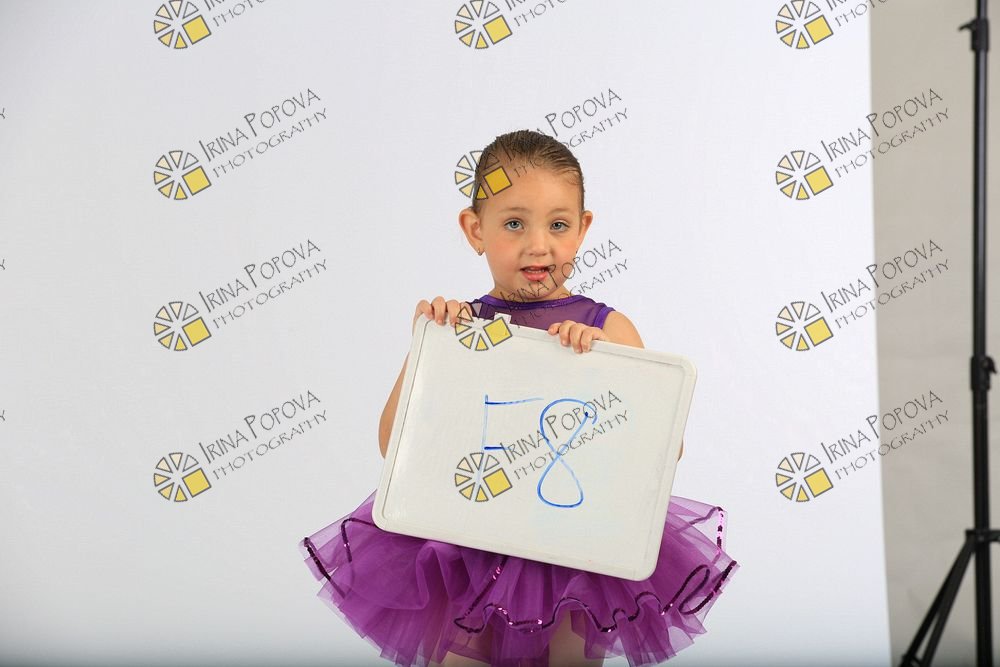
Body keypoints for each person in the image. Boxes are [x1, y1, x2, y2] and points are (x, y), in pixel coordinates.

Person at [298, 130, 738, 666]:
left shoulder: (608, 328)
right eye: (513, 223)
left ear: (583, 228)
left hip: (576, 550)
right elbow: (393, 444)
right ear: (474, 229)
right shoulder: (459, 328)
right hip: (468, 543)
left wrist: (604, 368)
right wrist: (430, 348)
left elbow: (665, 451)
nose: (538, 245)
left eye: (558, 225)